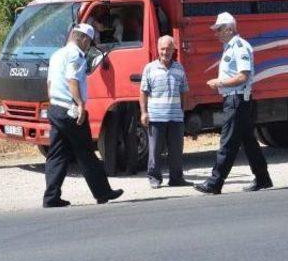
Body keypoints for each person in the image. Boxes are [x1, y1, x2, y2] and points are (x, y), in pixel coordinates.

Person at [43, 23, 124, 207]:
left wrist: (54, 103)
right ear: (84, 39)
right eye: (89, 42)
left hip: (55, 108)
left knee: (56, 155)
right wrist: (80, 104)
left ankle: (51, 197)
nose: (89, 46)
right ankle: (103, 192)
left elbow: (49, 83)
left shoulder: (57, 54)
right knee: (86, 152)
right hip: (70, 110)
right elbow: (72, 79)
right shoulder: (75, 55)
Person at [194, 13, 272, 195]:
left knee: (227, 142)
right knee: (249, 142)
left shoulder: (239, 47)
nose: (216, 33)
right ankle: (263, 178)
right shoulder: (229, 47)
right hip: (236, 99)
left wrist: (219, 82)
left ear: (229, 29)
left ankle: (215, 182)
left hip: (236, 99)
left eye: (219, 29)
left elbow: (243, 76)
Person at [140, 35, 191, 189]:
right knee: (155, 151)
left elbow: (183, 91)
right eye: (163, 49)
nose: (165, 52)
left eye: (169, 49)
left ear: (173, 50)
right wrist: (144, 112)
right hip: (156, 117)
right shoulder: (149, 68)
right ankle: (154, 178)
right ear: (158, 49)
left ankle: (176, 178)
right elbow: (143, 91)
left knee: (176, 151)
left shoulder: (179, 68)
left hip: (175, 117)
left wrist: (181, 111)